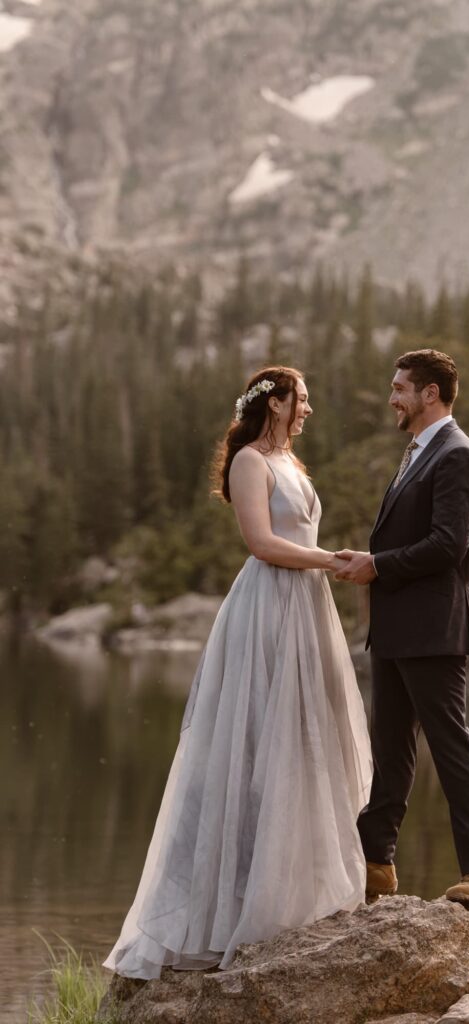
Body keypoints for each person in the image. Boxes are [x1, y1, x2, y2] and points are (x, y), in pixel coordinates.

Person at [104, 366, 372, 979]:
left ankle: (290, 894)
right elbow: (261, 542)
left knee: (303, 745)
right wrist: (331, 560)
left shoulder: (294, 465)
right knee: (254, 742)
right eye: (301, 399)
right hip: (270, 607)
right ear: (274, 404)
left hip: (305, 605)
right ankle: (230, 908)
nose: (307, 409)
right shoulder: (250, 460)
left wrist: (324, 566)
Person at [335, 348, 469, 905]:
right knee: (392, 748)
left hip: (434, 628)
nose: (392, 398)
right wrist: (371, 558)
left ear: (430, 393)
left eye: (400, 387)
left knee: (451, 744)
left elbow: (448, 546)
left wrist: (377, 565)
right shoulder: (418, 453)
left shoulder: (458, 455)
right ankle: (376, 863)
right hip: (398, 627)